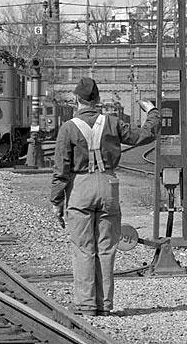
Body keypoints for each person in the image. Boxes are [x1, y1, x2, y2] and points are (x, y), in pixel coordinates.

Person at [50, 77, 160, 317]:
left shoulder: (68, 128)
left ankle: (87, 305)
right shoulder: (112, 123)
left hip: (80, 189)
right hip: (109, 187)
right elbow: (144, 135)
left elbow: (61, 170)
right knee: (107, 248)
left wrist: (57, 201)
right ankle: (105, 305)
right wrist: (152, 111)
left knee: (83, 248)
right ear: (98, 100)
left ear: (76, 100)